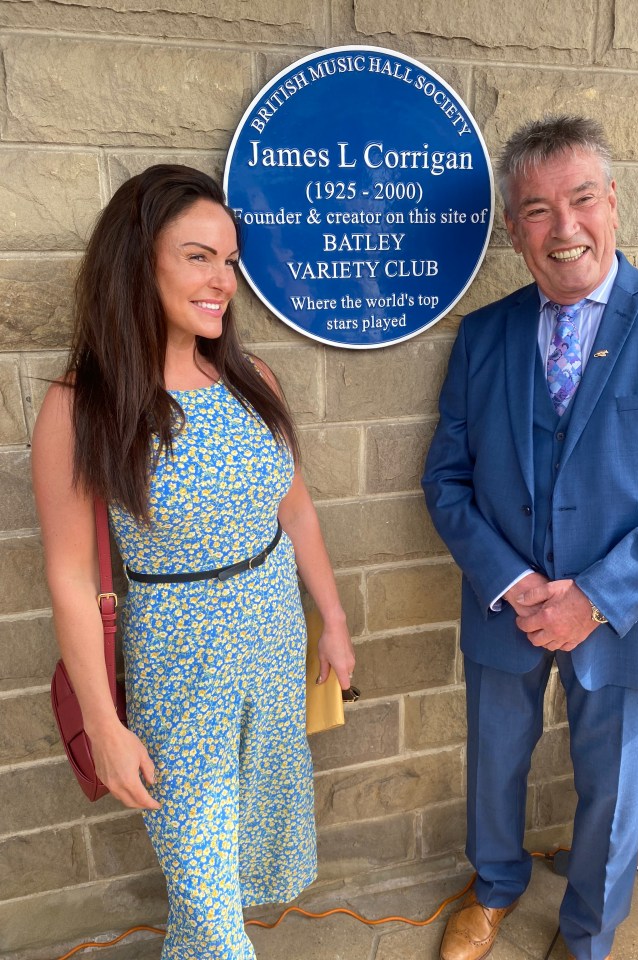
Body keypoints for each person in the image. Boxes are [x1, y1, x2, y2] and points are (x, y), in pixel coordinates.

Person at [32, 164, 355, 959]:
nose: (224, 281)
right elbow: (71, 579)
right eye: (199, 256)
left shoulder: (253, 380)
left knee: (235, 875)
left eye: (232, 261)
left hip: (273, 644)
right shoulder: (82, 407)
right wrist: (105, 726)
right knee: (210, 905)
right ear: (138, 260)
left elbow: (297, 509)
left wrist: (335, 621)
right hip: (180, 674)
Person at [422, 116, 638, 960]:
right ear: (514, 229)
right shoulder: (483, 335)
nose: (564, 230)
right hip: (504, 607)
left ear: (613, 203)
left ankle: (588, 933)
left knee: (617, 790)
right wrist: (513, 582)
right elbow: (445, 480)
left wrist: (591, 597)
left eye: (581, 200)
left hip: (626, 613)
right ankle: (495, 888)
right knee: (493, 766)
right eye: (537, 211)